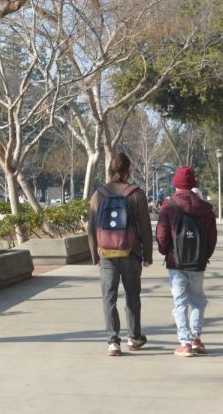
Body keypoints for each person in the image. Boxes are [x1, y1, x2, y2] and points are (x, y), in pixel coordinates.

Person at [87, 152, 153, 356]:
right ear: (127, 171)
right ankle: (133, 337)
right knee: (132, 295)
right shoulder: (136, 194)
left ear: (110, 171)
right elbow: (145, 227)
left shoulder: (98, 195)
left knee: (109, 297)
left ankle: (113, 341)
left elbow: (91, 228)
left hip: (106, 253)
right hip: (131, 252)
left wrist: (94, 255)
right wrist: (147, 254)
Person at [157, 166, 218, 357]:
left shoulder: (168, 207)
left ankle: (185, 344)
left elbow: (161, 234)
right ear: (193, 184)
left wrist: (164, 251)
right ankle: (196, 338)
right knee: (198, 300)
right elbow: (212, 237)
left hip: (176, 262)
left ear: (175, 184)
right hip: (197, 262)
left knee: (180, 302)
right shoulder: (205, 209)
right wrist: (204, 255)